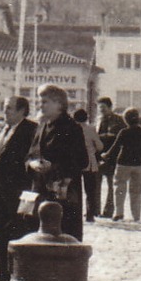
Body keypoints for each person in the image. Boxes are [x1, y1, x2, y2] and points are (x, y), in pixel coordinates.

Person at [0, 94, 38, 281]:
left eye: (9, 108)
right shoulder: (4, 129)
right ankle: (3, 277)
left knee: (18, 234)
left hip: (18, 192)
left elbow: (31, 158)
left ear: (21, 111)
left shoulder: (30, 130)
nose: (4, 111)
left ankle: (19, 276)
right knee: (1, 235)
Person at [27, 84, 88, 241]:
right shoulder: (42, 127)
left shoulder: (71, 127)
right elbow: (29, 155)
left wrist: (53, 166)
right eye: (40, 101)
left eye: (45, 101)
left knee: (63, 238)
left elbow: (82, 161)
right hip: (40, 192)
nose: (41, 105)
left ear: (59, 104)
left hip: (63, 194)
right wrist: (32, 164)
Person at [100, 106, 141, 222]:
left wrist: (105, 155)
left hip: (123, 163)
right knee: (136, 191)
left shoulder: (124, 132)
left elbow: (115, 147)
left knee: (119, 188)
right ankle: (136, 216)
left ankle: (119, 213)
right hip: (139, 164)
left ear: (126, 120)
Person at [95, 97, 126, 217]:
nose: (101, 110)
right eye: (99, 108)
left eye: (103, 108)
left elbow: (120, 139)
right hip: (98, 157)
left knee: (111, 186)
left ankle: (108, 211)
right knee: (96, 185)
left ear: (110, 107)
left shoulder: (119, 121)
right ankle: (95, 210)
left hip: (112, 157)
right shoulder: (98, 120)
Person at [74, 107, 103, 223]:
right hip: (89, 162)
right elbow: (100, 146)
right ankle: (90, 214)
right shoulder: (90, 129)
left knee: (76, 189)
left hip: (75, 163)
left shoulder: (71, 129)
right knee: (90, 190)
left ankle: (76, 213)